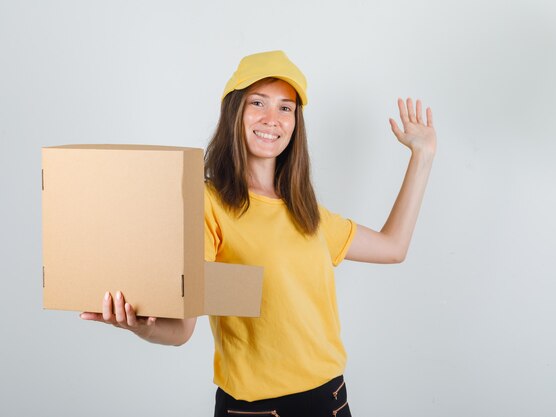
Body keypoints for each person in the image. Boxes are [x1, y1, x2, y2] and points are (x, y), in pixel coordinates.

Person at [80, 50, 437, 417]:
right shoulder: (208, 203)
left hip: (331, 400)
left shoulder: (306, 212)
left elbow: (393, 247)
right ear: (234, 111)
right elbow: (182, 328)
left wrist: (422, 157)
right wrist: (142, 326)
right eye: (258, 103)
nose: (272, 119)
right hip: (257, 411)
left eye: (286, 108)